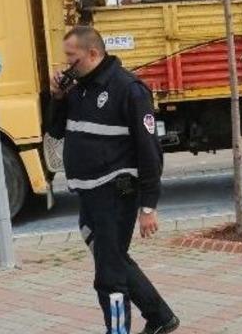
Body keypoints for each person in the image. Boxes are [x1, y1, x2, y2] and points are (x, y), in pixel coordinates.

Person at [47, 26, 179, 334]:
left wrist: (148, 206)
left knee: (109, 275)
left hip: (115, 192)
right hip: (88, 193)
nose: (66, 64)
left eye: (71, 57)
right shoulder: (77, 86)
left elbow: (150, 152)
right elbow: (56, 131)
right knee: (113, 257)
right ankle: (161, 317)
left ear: (92, 54)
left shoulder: (129, 89)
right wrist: (57, 97)